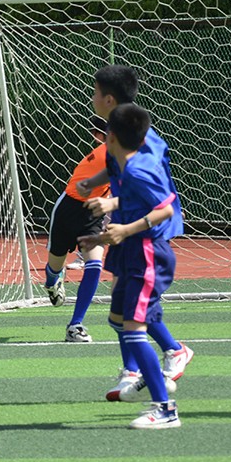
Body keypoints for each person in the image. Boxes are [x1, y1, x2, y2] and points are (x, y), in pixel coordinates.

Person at [78, 65, 194, 397]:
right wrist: (95, 183)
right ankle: (137, 366)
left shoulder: (145, 141)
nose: (92, 97)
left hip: (148, 229)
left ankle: (162, 358)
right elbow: (116, 170)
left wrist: (113, 206)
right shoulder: (119, 132)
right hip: (129, 226)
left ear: (109, 98)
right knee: (124, 298)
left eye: (95, 91)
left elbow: (152, 192)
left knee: (132, 299)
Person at [99, 103, 185, 429]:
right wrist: (100, 236)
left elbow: (165, 209)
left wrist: (124, 230)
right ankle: (152, 375)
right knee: (118, 320)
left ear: (112, 136)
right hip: (133, 250)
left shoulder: (137, 169)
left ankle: (165, 407)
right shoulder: (128, 168)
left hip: (147, 253)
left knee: (135, 330)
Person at [42, 113, 111, 343]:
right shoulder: (109, 154)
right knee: (54, 266)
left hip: (92, 213)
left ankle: (75, 325)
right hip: (67, 210)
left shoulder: (124, 153)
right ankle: (52, 282)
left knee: (94, 264)